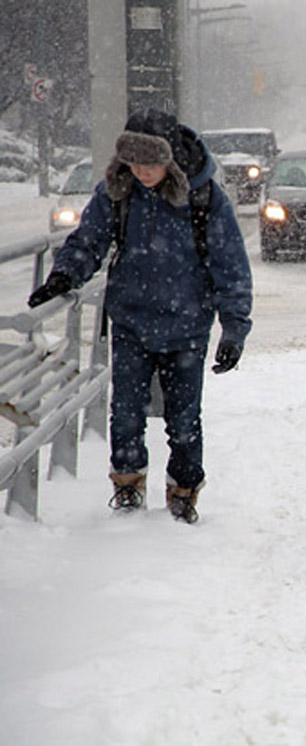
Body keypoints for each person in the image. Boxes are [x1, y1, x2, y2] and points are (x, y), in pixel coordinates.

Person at [28, 108, 252, 524]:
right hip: (130, 321)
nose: (142, 171)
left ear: (170, 159)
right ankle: (127, 486)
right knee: (125, 414)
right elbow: (89, 239)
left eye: (151, 163)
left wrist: (234, 327)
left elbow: (231, 265)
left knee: (184, 420)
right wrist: (64, 275)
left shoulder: (204, 197)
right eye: (135, 162)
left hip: (187, 326)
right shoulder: (117, 190)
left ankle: (183, 492)